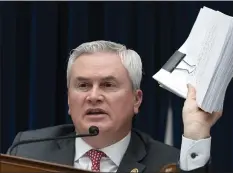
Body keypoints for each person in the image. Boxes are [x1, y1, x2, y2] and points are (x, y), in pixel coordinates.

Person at [7, 41, 222, 173]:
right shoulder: (29, 151)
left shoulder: (167, 165)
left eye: (108, 85)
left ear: (136, 100)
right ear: (69, 101)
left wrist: (195, 134)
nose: (93, 96)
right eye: (83, 86)